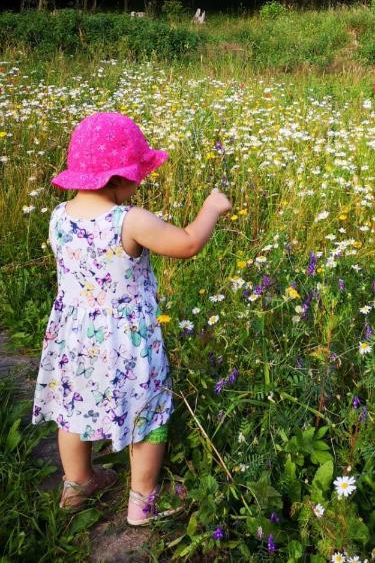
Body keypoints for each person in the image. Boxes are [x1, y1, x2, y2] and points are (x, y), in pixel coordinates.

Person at [33, 112, 232, 525]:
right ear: (118, 178)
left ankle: (78, 483)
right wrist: (211, 207)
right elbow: (188, 243)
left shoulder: (58, 216)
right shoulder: (130, 221)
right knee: (148, 412)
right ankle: (143, 502)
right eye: (136, 173)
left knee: (73, 411)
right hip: (127, 341)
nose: (139, 182)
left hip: (74, 339)